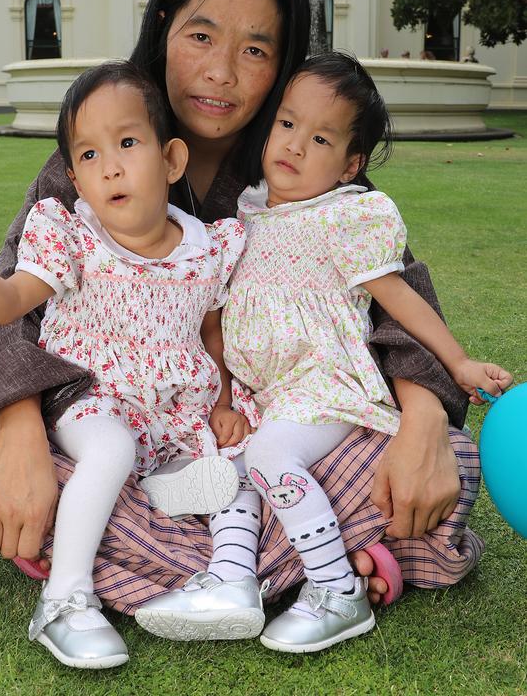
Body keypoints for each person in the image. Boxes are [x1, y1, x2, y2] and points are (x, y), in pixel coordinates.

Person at [0, 0, 481, 619]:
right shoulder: (99, 157)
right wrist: (18, 436)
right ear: (162, 29)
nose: (220, 72)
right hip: (120, 441)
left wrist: (422, 421)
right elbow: (9, 305)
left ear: (282, 65)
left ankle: (128, 568)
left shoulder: (302, 170)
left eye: (255, 49)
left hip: (258, 443)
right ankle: (312, 566)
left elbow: (397, 297)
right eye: (201, 36)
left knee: (449, 454)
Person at [135, 53, 511, 652]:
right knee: (231, 469)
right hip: (270, 394)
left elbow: (402, 298)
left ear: (349, 165)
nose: (295, 146)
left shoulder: (348, 215)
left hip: (325, 381)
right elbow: (219, 325)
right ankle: (232, 581)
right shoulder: (246, 216)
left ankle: (338, 589)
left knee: (271, 457)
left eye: (320, 138)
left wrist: (459, 362)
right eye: (287, 125)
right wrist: (227, 399)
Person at [0, 61, 252, 669]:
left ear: (171, 160)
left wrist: (224, 402)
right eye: (89, 156)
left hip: (176, 414)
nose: (110, 166)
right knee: (111, 451)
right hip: (91, 397)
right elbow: (9, 302)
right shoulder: (73, 236)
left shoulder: (210, 245)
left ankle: (209, 560)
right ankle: (65, 599)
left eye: (127, 143)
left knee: (242, 465)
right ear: (74, 178)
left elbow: (213, 330)